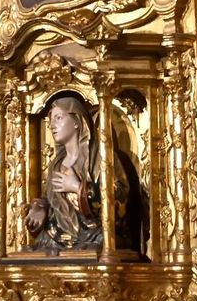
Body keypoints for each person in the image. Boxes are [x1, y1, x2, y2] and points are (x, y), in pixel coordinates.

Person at [24, 95, 144, 255]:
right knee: (41, 245)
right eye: (51, 120)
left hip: (94, 229)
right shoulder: (56, 163)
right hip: (59, 233)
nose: (52, 126)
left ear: (76, 121)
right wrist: (39, 208)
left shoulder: (101, 156)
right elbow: (51, 199)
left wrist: (77, 187)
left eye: (58, 118)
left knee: (103, 240)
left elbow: (120, 196)